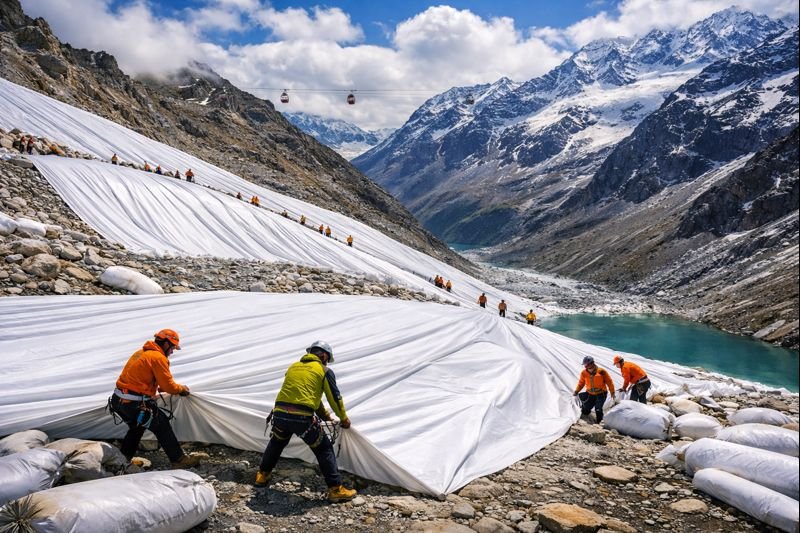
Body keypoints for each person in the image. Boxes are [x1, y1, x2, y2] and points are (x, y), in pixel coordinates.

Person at [256, 341, 357, 503]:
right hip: (301, 417)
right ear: (324, 355)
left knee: (276, 443)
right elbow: (335, 399)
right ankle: (336, 489)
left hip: (280, 414)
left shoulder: (293, 367)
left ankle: (262, 476)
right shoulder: (324, 371)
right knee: (324, 448)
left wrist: (325, 417)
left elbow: (308, 396)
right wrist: (343, 419)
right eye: (327, 358)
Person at [109, 329, 200, 467]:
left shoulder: (141, 353)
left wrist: (160, 389)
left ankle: (122, 460)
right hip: (133, 403)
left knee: (136, 427)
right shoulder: (158, 358)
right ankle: (178, 460)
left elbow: (146, 380)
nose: (172, 351)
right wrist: (181, 389)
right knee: (161, 424)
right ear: (165, 343)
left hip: (118, 401)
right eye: (172, 347)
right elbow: (169, 386)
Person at [574, 356, 615, 424]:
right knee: (586, 409)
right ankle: (587, 417)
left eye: (586, 364)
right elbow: (581, 383)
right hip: (590, 394)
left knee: (598, 409)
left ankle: (599, 422)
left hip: (601, 394)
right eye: (584, 364)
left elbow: (609, 382)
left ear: (592, 363)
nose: (585, 366)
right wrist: (576, 391)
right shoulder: (584, 373)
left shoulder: (601, 371)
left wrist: (612, 392)